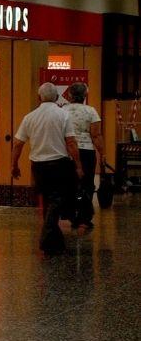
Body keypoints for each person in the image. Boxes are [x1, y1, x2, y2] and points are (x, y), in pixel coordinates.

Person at [12, 82, 82, 255]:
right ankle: (46, 236)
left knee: (48, 200)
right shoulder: (63, 116)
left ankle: (54, 243)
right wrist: (78, 165)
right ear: (57, 97)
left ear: (39, 97)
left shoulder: (30, 117)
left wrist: (14, 165)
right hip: (59, 164)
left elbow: (18, 144)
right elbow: (71, 142)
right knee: (57, 199)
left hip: (38, 166)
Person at [64, 82, 106, 231]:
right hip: (87, 151)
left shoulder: (63, 111)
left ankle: (72, 214)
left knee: (70, 184)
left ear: (69, 95)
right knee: (87, 183)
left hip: (68, 151)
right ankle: (84, 217)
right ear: (85, 95)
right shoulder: (91, 112)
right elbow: (96, 135)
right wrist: (102, 153)